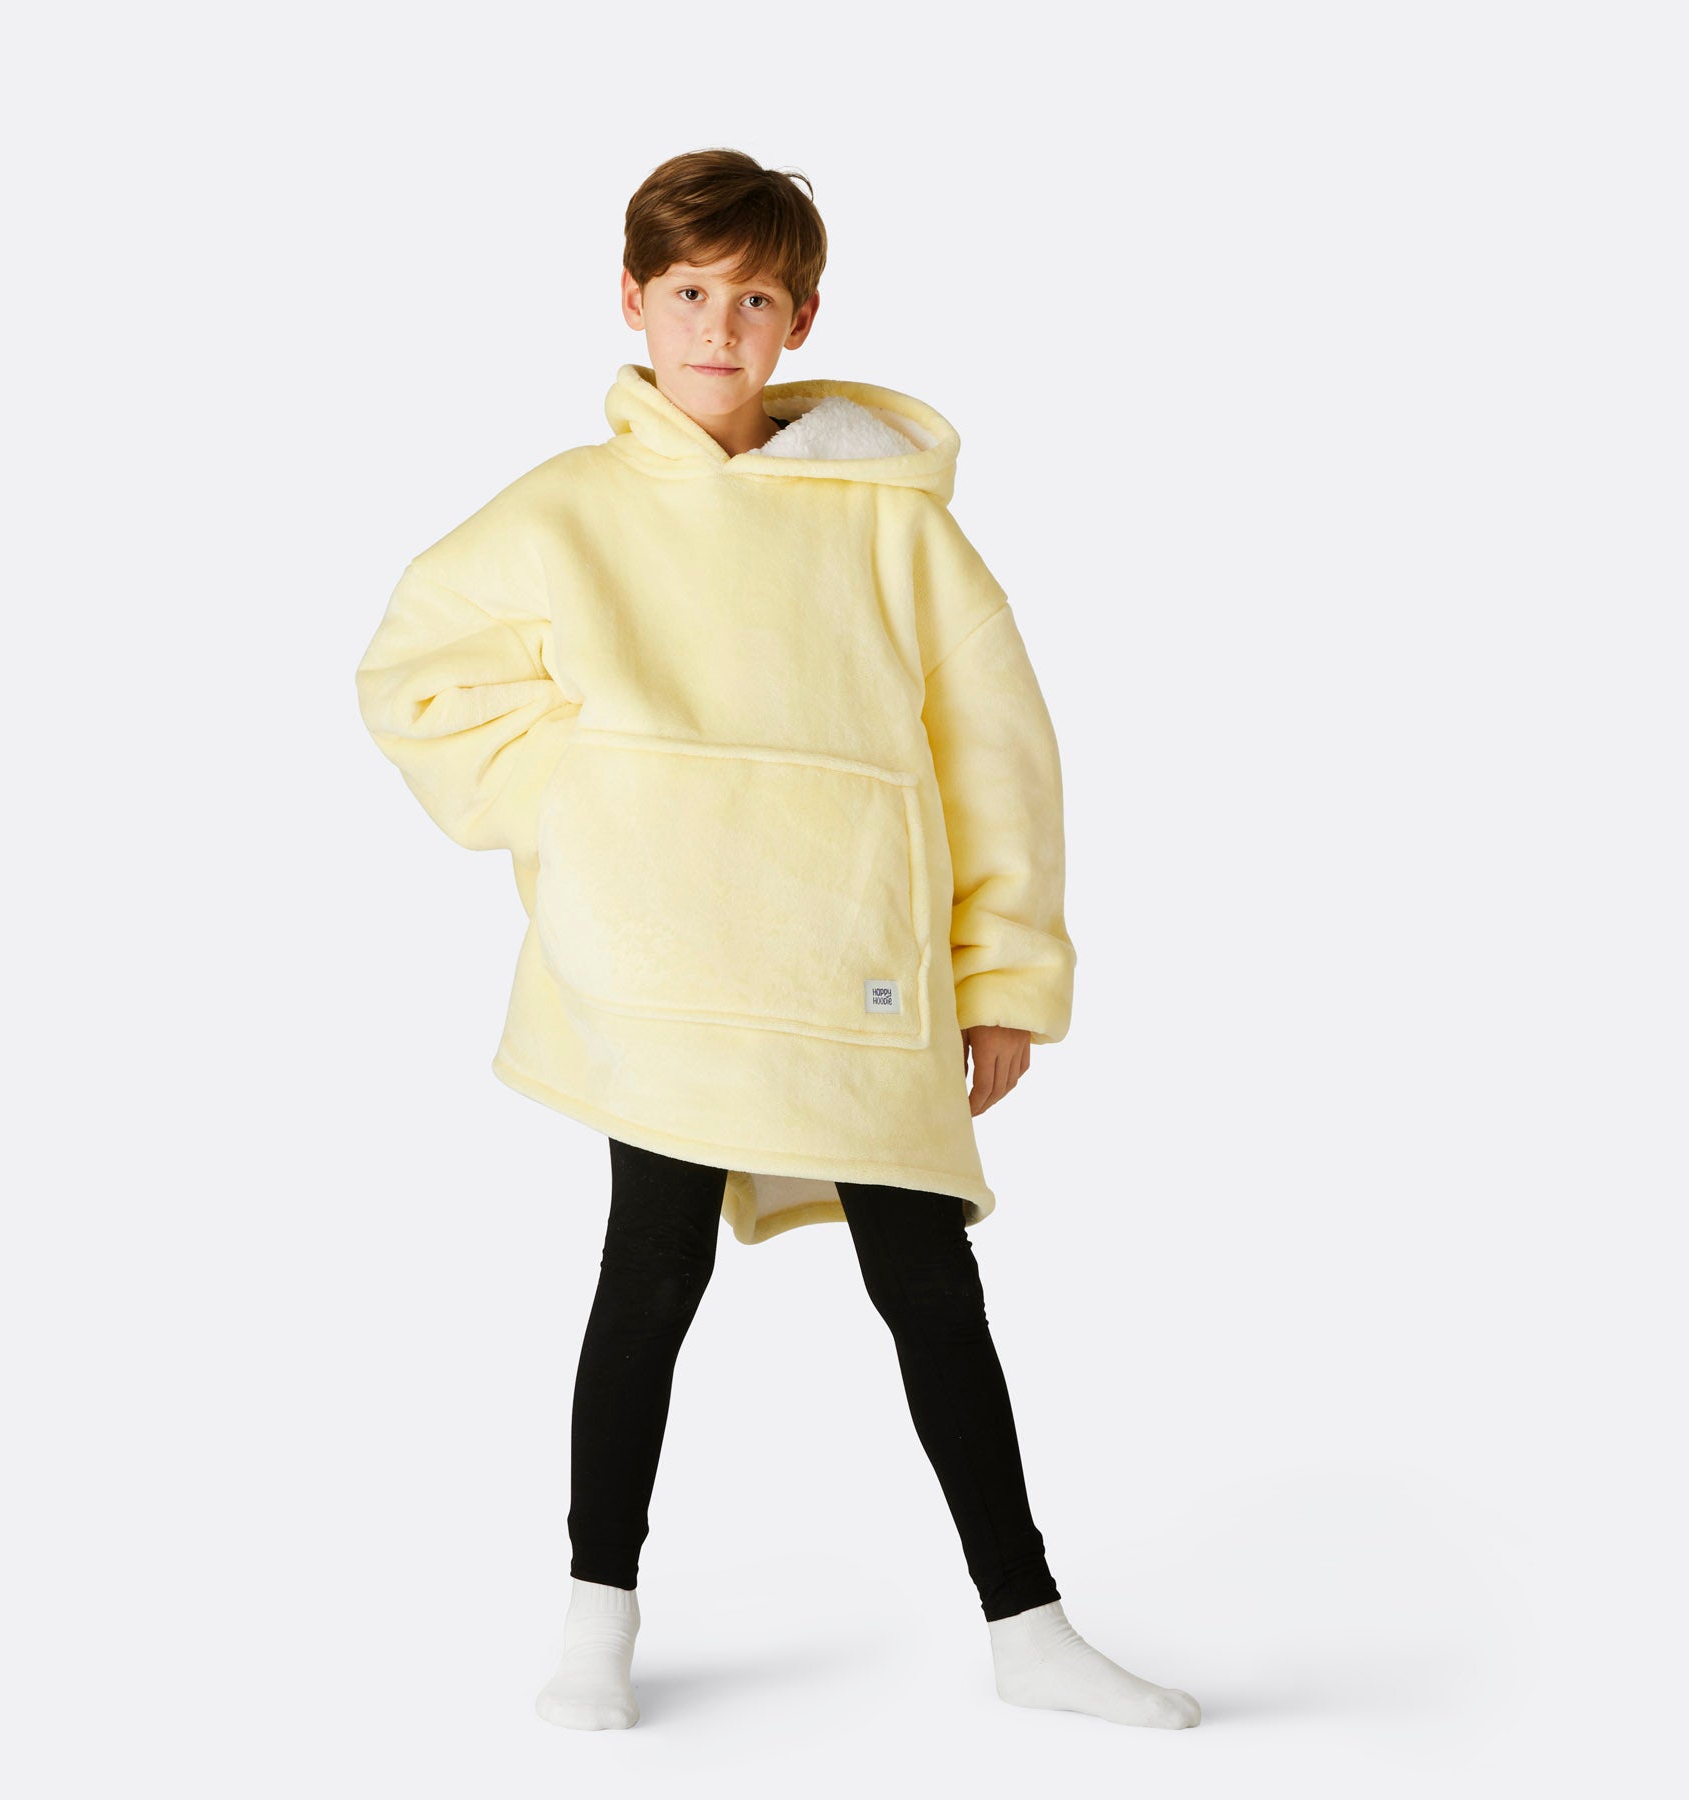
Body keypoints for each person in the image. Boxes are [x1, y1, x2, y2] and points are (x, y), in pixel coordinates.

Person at [354, 148, 1200, 1734]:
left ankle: (1028, 1629)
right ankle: (595, 1621)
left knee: (928, 1281)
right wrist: (594, 809)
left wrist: (1003, 974)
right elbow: (414, 678)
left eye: (753, 300)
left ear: (801, 319)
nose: (717, 328)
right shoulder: (565, 513)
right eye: (688, 293)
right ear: (631, 300)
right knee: (649, 1271)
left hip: (850, 962)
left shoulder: (893, 530)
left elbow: (998, 755)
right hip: (661, 967)